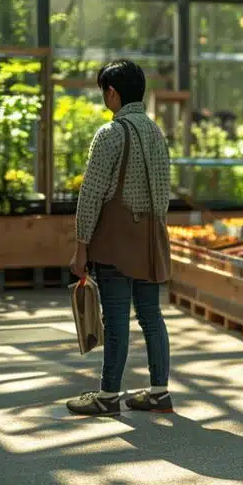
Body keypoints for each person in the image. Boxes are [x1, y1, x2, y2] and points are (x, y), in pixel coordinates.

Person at [66, 59, 173, 417]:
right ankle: (159, 392)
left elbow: (92, 194)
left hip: (115, 241)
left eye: (103, 92)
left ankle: (108, 394)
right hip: (150, 238)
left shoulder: (111, 134)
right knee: (150, 315)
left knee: (115, 320)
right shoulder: (157, 133)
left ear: (112, 92)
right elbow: (164, 192)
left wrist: (80, 245)